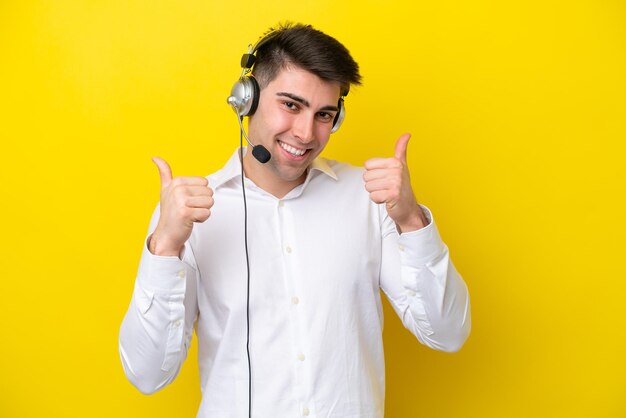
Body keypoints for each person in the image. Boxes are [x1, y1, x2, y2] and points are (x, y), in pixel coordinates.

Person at [119, 22, 471, 417]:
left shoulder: (371, 201)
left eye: (324, 114)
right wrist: (164, 248)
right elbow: (148, 375)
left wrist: (411, 221)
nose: (305, 133)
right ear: (245, 100)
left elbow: (447, 333)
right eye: (291, 105)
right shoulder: (187, 215)